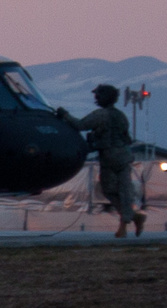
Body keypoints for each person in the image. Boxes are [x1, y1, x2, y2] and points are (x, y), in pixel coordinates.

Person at [56, 84, 145, 237]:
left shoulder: (101, 115)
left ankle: (125, 224)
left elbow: (80, 125)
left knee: (114, 191)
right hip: (122, 157)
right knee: (121, 191)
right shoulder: (120, 116)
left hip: (110, 158)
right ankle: (132, 217)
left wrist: (64, 115)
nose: (96, 99)